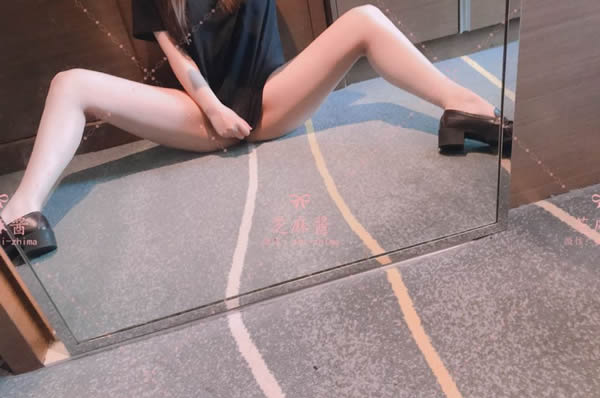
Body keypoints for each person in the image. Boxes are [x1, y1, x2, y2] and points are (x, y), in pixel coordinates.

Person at [0, 0, 512, 264]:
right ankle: (22, 213)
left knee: (365, 19)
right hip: (200, 113)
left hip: (271, 97)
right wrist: (214, 111)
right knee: (70, 83)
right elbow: (177, 58)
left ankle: (463, 108)